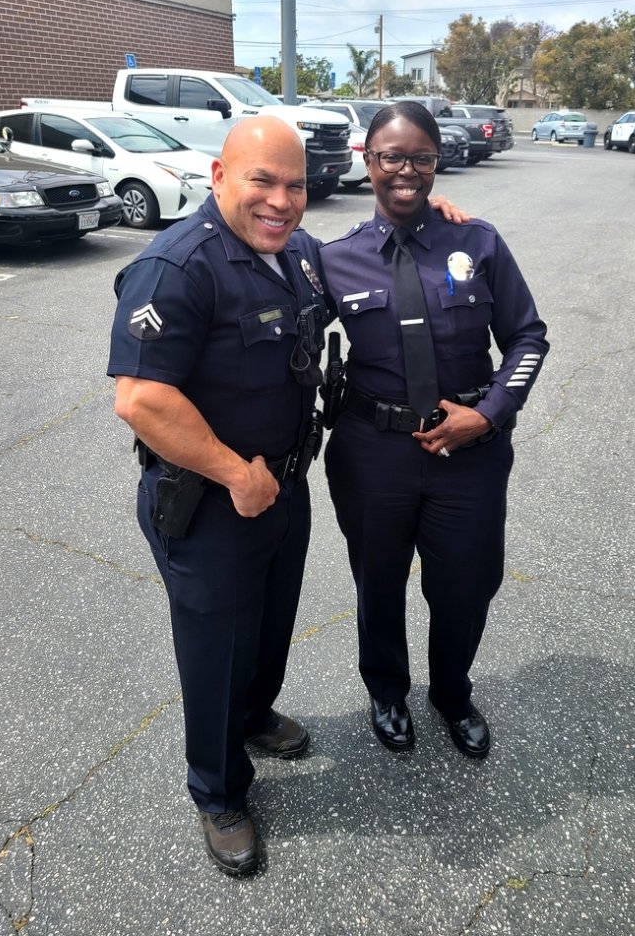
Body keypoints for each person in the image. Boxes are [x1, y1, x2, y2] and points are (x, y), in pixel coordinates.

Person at [107, 114, 464, 878]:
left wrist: (434, 219)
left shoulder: (297, 254)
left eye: (295, 184)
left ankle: (253, 715)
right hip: (210, 500)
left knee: (270, 626)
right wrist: (237, 474)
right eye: (261, 181)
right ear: (218, 177)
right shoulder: (179, 267)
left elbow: (370, 271)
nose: (280, 200)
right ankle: (218, 790)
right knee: (213, 649)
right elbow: (141, 399)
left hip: (283, 485)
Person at [319, 101, 549, 759]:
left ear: (435, 162)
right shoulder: (332, 260)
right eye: (392, 155)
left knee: (465, 584)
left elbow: (528, 335)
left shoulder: (477, 243)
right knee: (379, 582)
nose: (406, 169)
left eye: (420, 156)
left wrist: (492, 411)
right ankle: (387, 691)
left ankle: (453, 693)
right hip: (373, 454)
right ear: (368, 161)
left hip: (469, 455)